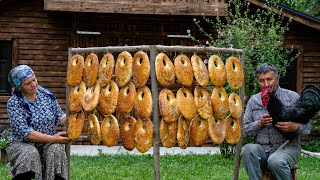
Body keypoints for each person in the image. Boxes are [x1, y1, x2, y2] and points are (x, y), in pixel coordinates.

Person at [241, 63, 312, 180]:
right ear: (257, 81)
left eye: (269, 79)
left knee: (275, 161)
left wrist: (295, 127)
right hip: (262, 149)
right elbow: (244, 131)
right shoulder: (253, 101)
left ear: (277, 79)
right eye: (261, 80)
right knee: (247, 150)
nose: (266, 84)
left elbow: (308, 127)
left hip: (288, 148)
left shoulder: (292, 97)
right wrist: (259, 124)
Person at [5, 65, 70, 180]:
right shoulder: (14, 103)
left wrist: (72, 116)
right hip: (22, 144)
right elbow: (26, 133)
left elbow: (59, 117)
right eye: (28, 83)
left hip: (47, 143)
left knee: (57, 149)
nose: (34, 84)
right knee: (30, 153)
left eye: (34, 80)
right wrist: (53, 139)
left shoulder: (46, 95)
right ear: (19, 87)